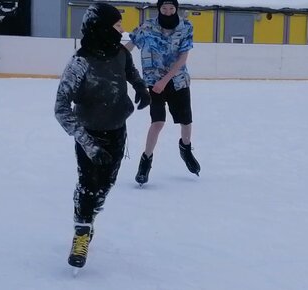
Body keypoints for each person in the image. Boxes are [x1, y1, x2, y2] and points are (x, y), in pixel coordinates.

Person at [54, 3, 150, 269]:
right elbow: (61, 108)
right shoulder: (80, 62)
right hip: (89, 135)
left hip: (117, 130)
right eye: (118, 25)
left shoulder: (120, 52)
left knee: (105, 186)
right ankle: (81, 233)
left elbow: (130, 71)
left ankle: (88, 218)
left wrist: (141, 88)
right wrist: (88, 145)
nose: (123, 30)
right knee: (88, 185)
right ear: (102, 28)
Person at [125, 0, 200, 185]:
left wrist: (164, 81)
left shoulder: (186, 26)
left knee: (185, 121)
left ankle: (186, 148)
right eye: (164, 8)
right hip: (153, 81)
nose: (167, 12)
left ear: (176, 9)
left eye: (171, 8)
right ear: (159, 9)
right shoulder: (148, 26)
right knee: (157, 122)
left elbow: (183, 57)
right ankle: (145, 161)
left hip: (178, 80)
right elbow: (130, 45)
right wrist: (112, 59)